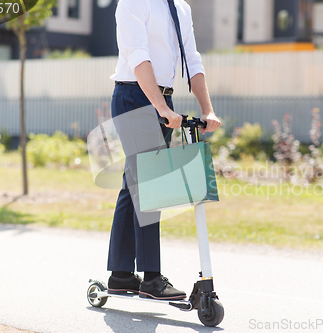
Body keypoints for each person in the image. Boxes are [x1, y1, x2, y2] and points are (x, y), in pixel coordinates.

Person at [106, 0, 221, 300]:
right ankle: (152, 278)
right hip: (134, 96)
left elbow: (192, 60)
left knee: (133, 183)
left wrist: (207, 110)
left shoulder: (181, 7)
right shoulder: (132, 3)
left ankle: (120, 275)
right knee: (149, 182)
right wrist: (159, 107)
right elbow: (138, 58)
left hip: (162, 100)